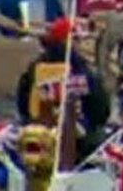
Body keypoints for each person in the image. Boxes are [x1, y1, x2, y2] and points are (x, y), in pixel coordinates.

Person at [15, 17, 110, 158]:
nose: (82, 45)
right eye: (77, 40)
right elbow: (101, 110)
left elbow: (23, 104)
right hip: (78, 139)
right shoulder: (83, 71)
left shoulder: (35, 68)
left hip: (36, 131)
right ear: (66, 41)